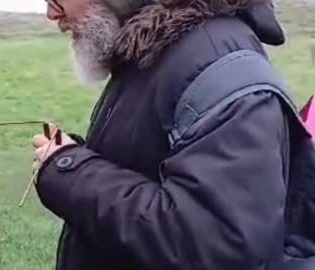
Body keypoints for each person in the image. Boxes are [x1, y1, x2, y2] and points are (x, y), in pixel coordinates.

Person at [30, 0, 296, 269]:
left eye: (56, 1)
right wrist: (72, 157)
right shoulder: (153, 49)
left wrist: (69, 170)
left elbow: (216, 248)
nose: (52, 14)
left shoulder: (217, 63)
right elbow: (143, 165)